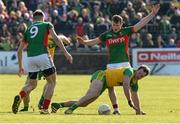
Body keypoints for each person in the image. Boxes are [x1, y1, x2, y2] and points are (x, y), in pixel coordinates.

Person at [12, 9, 73, 114]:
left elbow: (19, 50)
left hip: (31, 58)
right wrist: (66, 53)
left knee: (31, 85)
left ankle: (20, 95)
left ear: (33, 19)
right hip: (43, 56)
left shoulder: (28, 29)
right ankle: (45, 108)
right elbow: (57, 39)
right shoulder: (47, 25)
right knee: (52, 82)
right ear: (43, 18)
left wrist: (20, 67)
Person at [77, 4, 160, 69]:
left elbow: (141, 23)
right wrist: (84, 42)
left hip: (125, 64)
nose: (115, 27)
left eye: (117, 25)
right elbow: (94, 41)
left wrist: (152, 14)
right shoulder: (107, 34)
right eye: (113, 25)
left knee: (127, 86)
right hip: (111, 65)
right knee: (110, 89)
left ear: (121, 24)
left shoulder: (126, 31)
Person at [51, 65, 150, 115]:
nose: (140, 76)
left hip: (107, 83)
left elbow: (135, 96)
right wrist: (129, 101)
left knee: (85, 103)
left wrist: (139, 111)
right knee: (94, 93)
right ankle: (71, 109)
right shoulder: (129, 71)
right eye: (140, 73)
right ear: (137, 70)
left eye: (142, 76)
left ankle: (58, 105)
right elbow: (125, 85)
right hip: (101, 75)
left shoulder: (135, 82)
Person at [20, 35, 71, 112]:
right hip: (47, 64)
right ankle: (42, 101)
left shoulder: (36, 38)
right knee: (51, 82)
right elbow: (67, 41)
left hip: (35, 63)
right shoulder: (54, 38)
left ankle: (25, 106)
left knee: (28, 85)